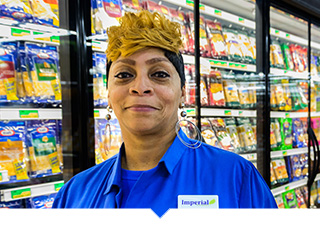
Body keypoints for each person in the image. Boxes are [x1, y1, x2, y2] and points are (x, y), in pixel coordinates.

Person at [52, 10, 278, 217]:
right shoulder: (73, 195)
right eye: (124, 74)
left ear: (182, 93)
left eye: (159, 74)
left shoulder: (237, 178)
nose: (140, 86)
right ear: (108, 94)